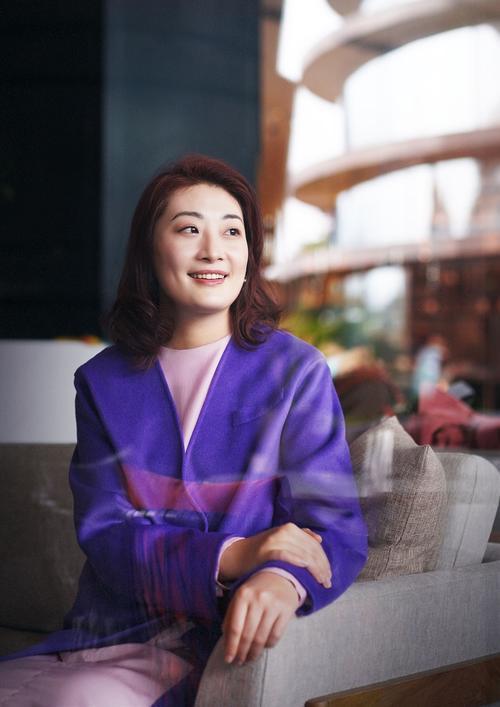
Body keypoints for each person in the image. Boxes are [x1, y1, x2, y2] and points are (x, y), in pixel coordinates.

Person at [0, 155, 368, 706]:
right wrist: (234, 553)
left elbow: (334, 527)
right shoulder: (101, 381)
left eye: (232, 231)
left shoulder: (295, 372)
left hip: (211, 645)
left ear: (250, 253)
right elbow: (107, 533)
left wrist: (281, 579)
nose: (213, 251)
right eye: (189, 229)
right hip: (106, 634)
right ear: (150, 249)